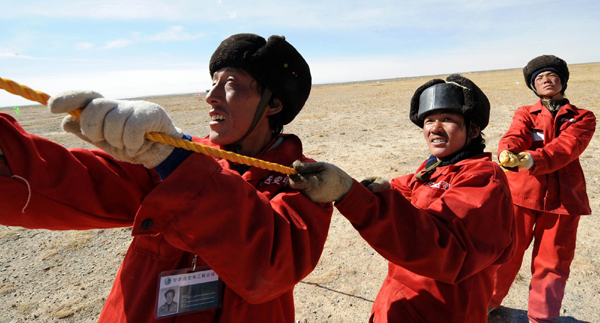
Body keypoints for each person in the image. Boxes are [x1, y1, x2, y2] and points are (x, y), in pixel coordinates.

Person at [0, 33, 333, 322]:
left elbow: (271, 267)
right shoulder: (170, 156)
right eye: (212, 83)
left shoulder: (305, 180)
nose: (210, 96)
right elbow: (64, 182)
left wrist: (177, 162)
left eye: (229, 85)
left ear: (273, 104)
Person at [289, 74, 516, 323]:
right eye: (428, 120)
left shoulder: (484, 180)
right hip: (401, 300)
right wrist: (370, 188)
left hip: (446, 310)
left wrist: (350, 195)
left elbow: (445, 249)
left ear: (473, 129)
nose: (434, 128)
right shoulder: (435, 167)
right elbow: (408, 186)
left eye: (447, 119)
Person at [489, 55, 596, 323]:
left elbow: (568, 146)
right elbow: (515, 133)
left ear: (563, 81)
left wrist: (534, 158)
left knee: (553, 263)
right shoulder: (526, 112)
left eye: (551, 76)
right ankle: (486, 303)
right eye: (539, 78)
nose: (546, 80)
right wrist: (507, 151)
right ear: (533, 86)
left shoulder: (583, 117)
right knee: (505, 255)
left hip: (564, 201)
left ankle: (541, 318)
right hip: (522, 195)